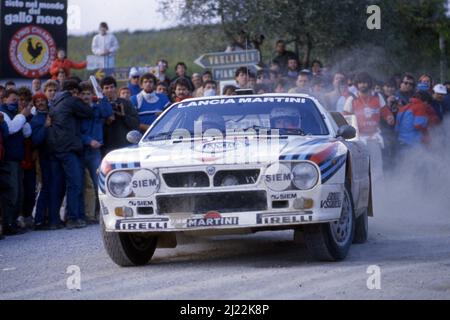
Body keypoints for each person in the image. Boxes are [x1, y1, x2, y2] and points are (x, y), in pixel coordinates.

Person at [47, 80, 95, 230]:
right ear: (73, 91)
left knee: (58, 186)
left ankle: (55, 220)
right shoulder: (71, 100)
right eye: (78, 93)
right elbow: (89, 112)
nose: (80, 95)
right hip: (69, 148)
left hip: (55, 149)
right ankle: (73, 218)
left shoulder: (55, 102)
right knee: (75, 184)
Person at [343, 72, 395, 180]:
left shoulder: (377, 96)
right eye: (360, 83)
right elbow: (345, 118)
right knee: (359, 168)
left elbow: (385, 111)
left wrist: (389, 117)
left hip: (373, 138)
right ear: (357, 84)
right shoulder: (351, 99)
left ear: (369, 84)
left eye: (365, 82)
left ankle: (378, 191)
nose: (363, 85)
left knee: (376, 168)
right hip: (358, 140)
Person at [79, 82, 113, 224]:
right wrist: (88, 140)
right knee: (83, 184)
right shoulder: (78, 111)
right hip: (81, 150)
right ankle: (86, 214)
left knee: (98, 182)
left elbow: (108, 113)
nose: (86, 96)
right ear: (80, 96)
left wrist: (102, 96)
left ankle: (100, 213)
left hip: (95, 152)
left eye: (88, 94)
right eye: (84, 94)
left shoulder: (98, 109)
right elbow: (76, 131)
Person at [0, 89, 32, 235]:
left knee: (18, 192)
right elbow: (11, 129)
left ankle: (13, 222)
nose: (16, 103)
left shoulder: (15, 114)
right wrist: (21, 116)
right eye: (13, 100)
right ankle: (8, 224)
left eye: (18, 100)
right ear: (5, 99)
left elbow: (27, 133)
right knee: (12, 193)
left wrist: (23, 117)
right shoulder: (3, 113)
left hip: (17, 159)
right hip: (8, 160)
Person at [101, 76, 140, 155]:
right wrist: (107, 121)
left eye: (112, 87)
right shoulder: (100, 105)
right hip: (108, 147)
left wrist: (123, 116)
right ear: (102, 90)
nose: (109, 90)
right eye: (106, 88)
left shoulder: (125, 103)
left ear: (115, 88)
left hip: (125, 145)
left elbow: (136, 123)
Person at [30, 93, 51, 230]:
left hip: (55, 155)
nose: (41, 103)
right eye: (38, 101)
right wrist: (45, 126)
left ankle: (48, 217)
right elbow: (36, 141)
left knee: (54, 188)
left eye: (43, 100)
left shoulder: (52, 113)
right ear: (35, 104)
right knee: (46, 188)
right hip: (44, 157)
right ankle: (38, 219)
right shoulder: (36, 120)